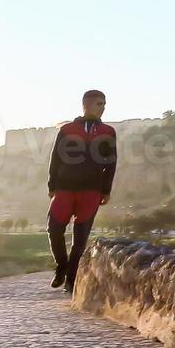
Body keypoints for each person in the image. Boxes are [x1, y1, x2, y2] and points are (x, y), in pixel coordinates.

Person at [48, 90, 118, 293]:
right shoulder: (67, 129)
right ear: (85, 105)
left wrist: (106, 190)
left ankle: (71, 280)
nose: (103, 107)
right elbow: (55, 159)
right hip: (64, 189)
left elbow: (111, 163)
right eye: (99, 103)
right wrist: (51, 186)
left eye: (104, 103)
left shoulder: (108, 132)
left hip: (91, 191)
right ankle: (61, 267)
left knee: (80, 240)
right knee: (54, 230)